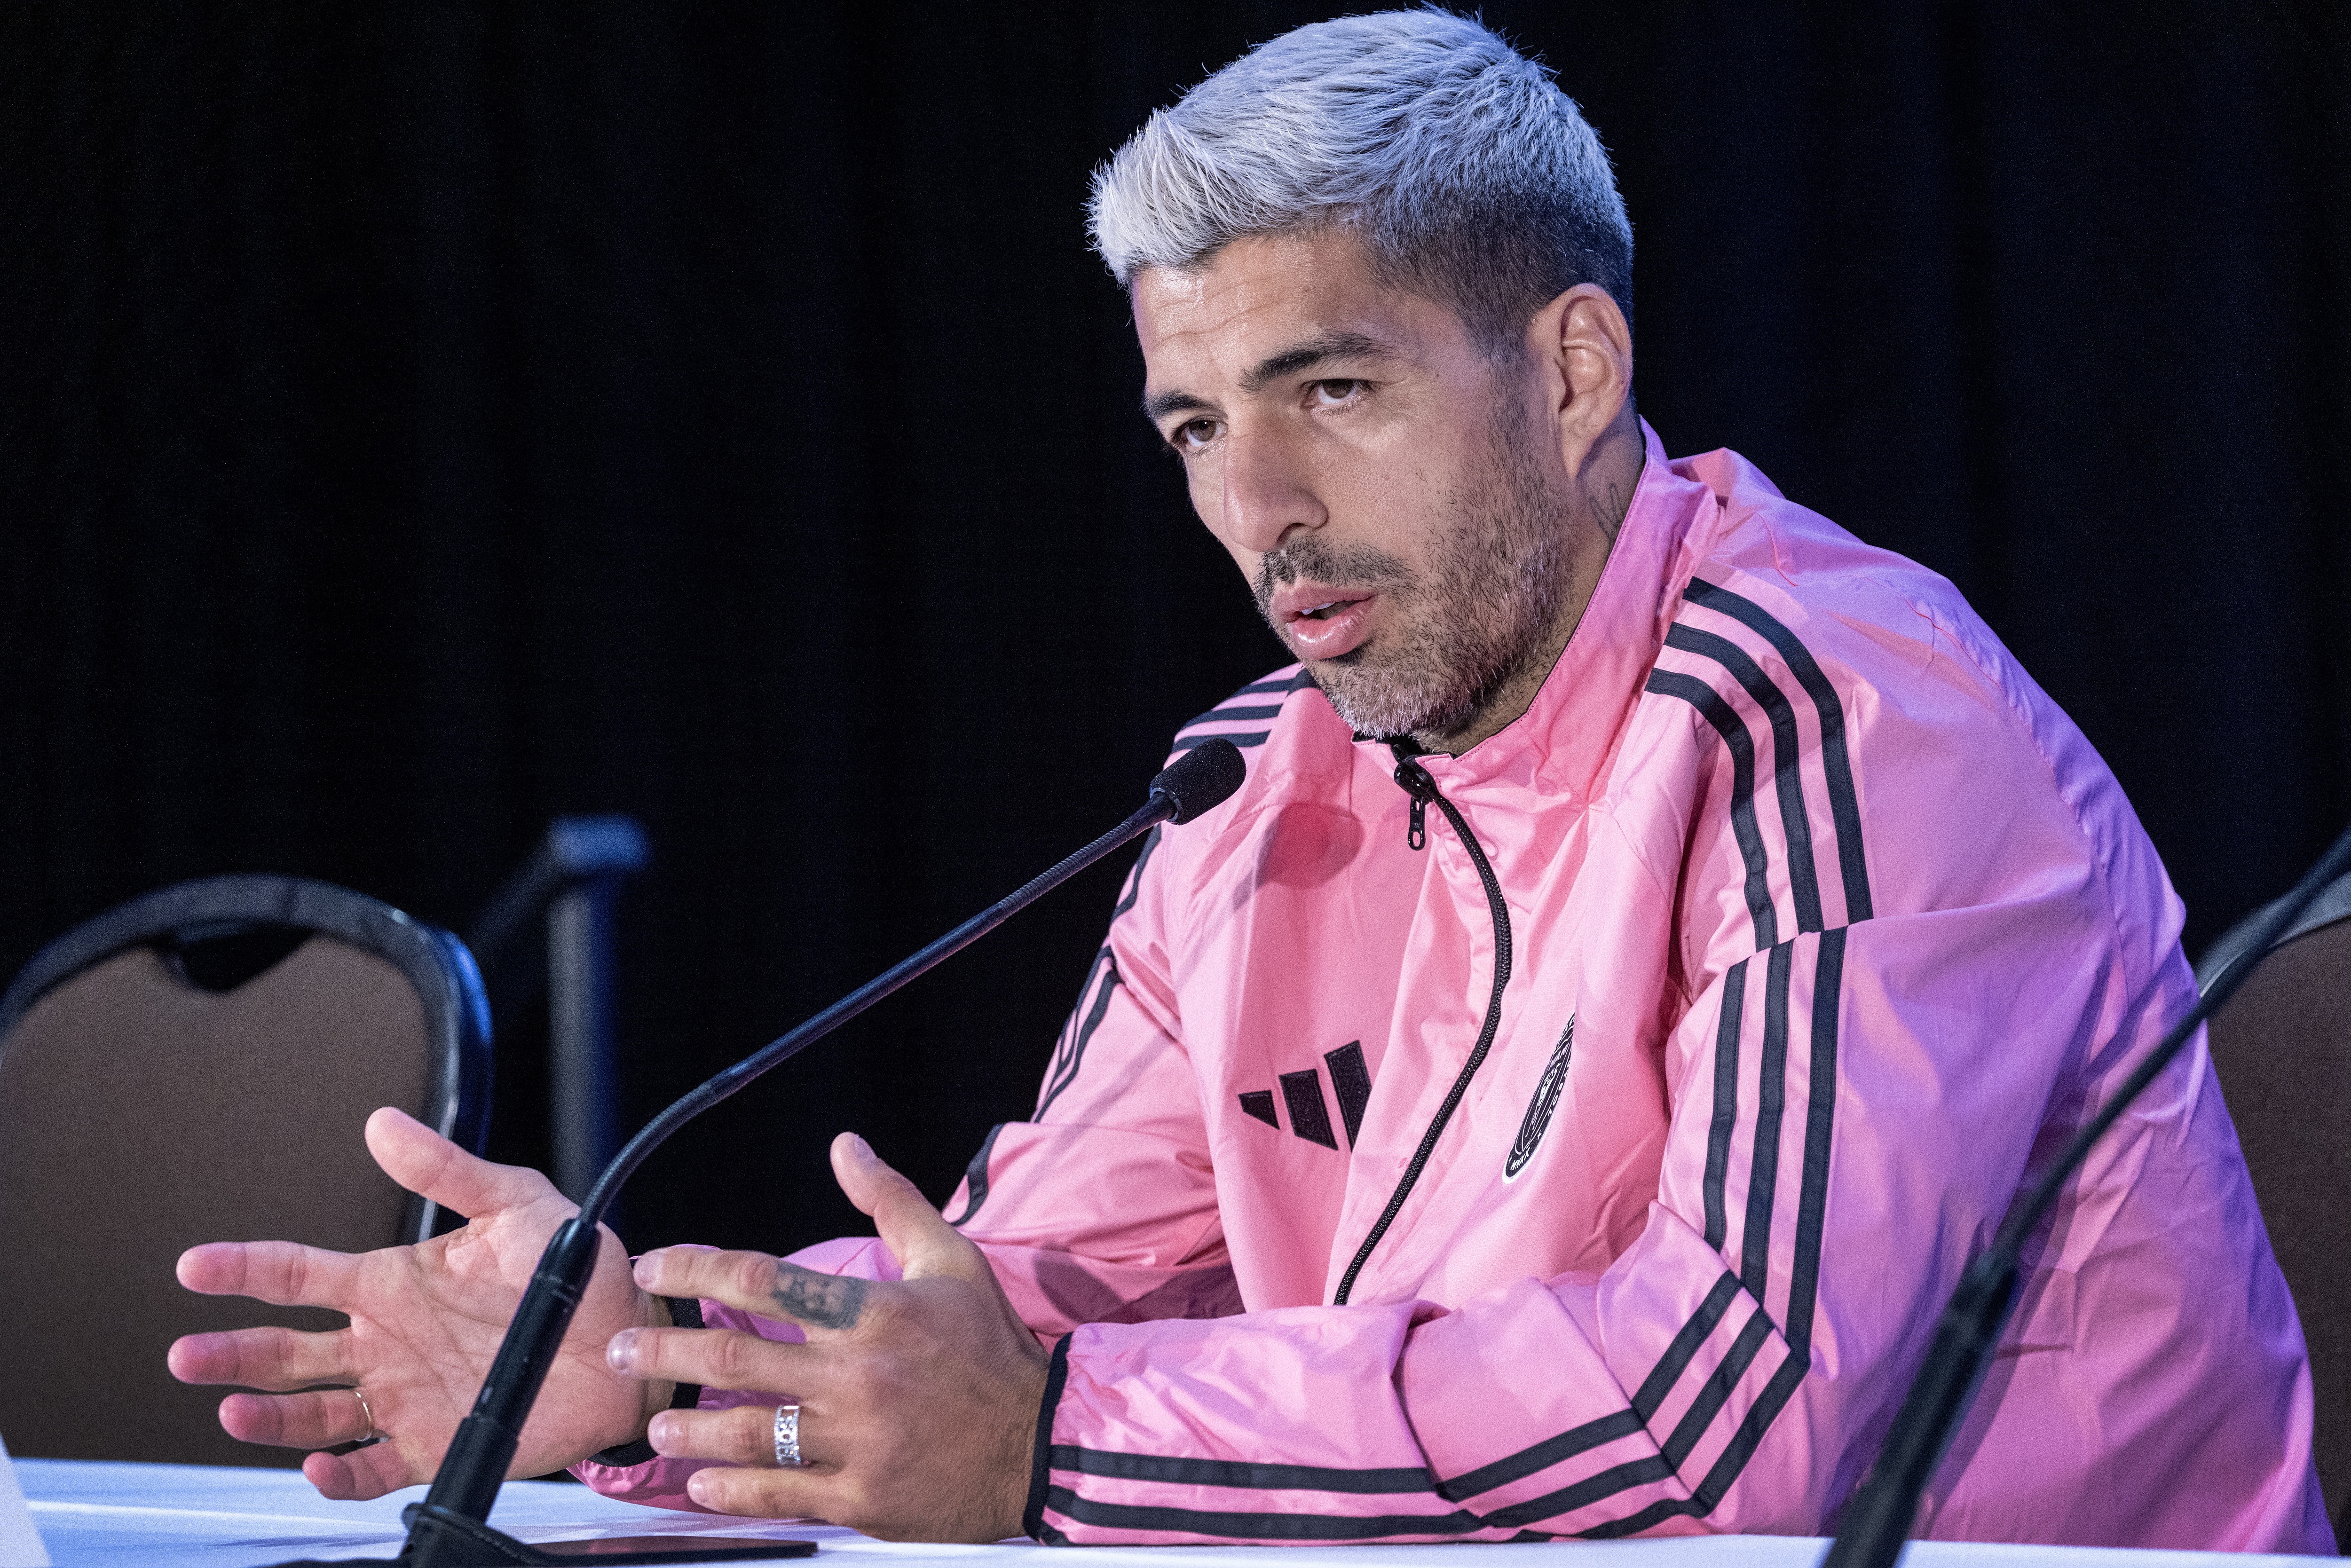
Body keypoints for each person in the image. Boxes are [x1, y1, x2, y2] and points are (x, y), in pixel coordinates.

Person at [169, 10, 2329, 1552]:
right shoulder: (1245, 795)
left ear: (1570, 370)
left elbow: (1731, 1418)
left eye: (1330, 389)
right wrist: (653, 1363)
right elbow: (1017, 1300)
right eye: (1195, 425)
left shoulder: (1842, 718)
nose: (1259, 508)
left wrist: (1054, 1458)